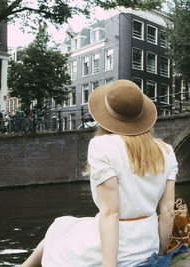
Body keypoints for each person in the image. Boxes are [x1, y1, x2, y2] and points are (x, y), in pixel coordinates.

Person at [21, 80, 180, 267]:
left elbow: (110, 212)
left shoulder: (102, 146)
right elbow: (168, 212)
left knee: (57, 230)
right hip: (147, 245)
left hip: (113, 247)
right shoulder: (167, 151)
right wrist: (159, 252)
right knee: (64, 225)